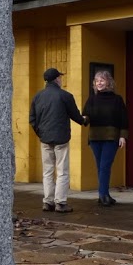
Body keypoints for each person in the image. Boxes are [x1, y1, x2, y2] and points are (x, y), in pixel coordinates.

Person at [29, 68, 86, 213]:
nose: (61, 79)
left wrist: (41, 133)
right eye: (60, 77)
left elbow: (32, 119)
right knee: (62, 171)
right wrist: (85, 120)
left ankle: (48, 202)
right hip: (61, 139)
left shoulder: (37, 96)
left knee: (47, 171)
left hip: (45, 139)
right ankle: (60, 202)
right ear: (56, 79)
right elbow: (76, 116)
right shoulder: (65, 96)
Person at [82, 70, 128, 206]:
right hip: (95, 137)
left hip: (111, 137)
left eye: (102, 80)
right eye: (97, 81)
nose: (99, 83)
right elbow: (86, 116)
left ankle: (102, 196)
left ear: (108, 82)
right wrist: (82, 118)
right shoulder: (92, 99)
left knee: (105, 166)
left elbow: (124, 119)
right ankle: (105, 194)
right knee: (101, 167)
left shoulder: (117, 99)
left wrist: (123, 136)